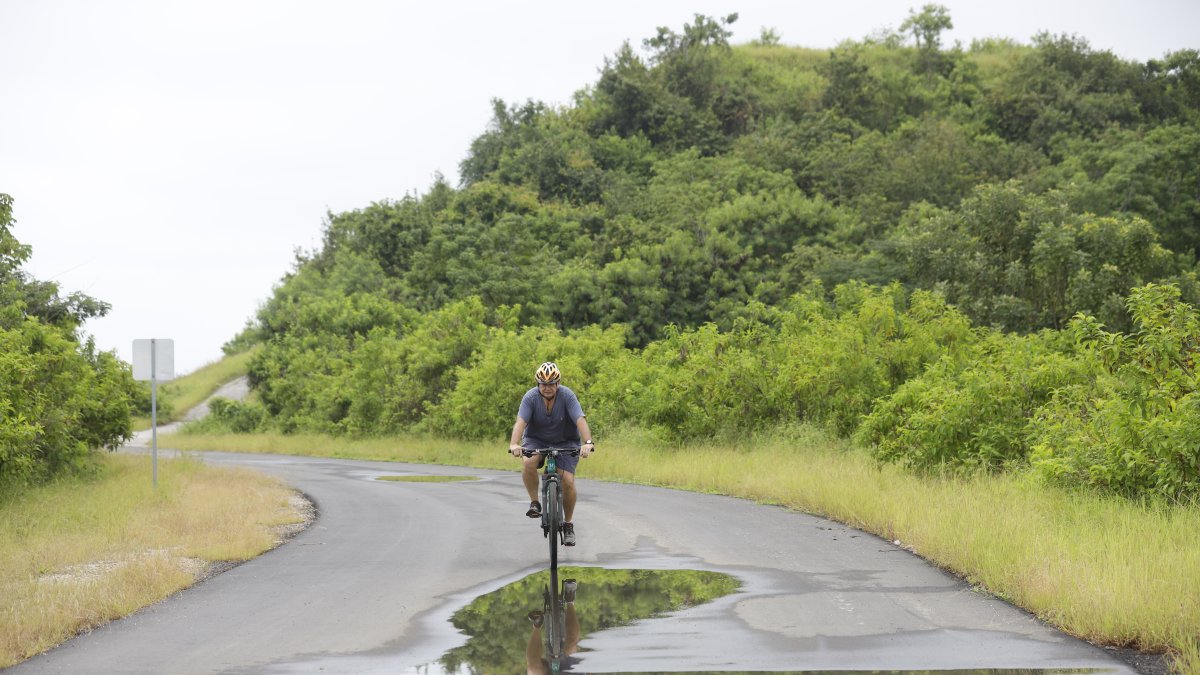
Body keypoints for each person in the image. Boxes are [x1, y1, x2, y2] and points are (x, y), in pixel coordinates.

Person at [509, 362, 594, 546]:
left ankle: (568, 525)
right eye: (543, 384)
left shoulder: (567, 396)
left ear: (558, 383)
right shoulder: (530, 398)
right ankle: (535, 503)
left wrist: (587, 442)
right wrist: (514, 443)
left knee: (568, 481)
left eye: (551, 384)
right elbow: (520, 422)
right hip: (536, 439)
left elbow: (580, 419)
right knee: (528, 463)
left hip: (566, 441)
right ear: (538, 384)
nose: (547, 388)